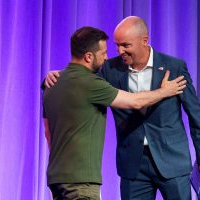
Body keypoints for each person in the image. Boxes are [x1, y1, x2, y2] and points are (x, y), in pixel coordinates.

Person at [43, 26, 186, 200]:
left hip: (56, 178)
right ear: (89, 56)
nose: (107, 58)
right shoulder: (91, 84)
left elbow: (48, 133)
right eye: (103, 53)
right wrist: (165, 91)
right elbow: (135, 102)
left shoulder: (50, 86)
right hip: (81, 181)